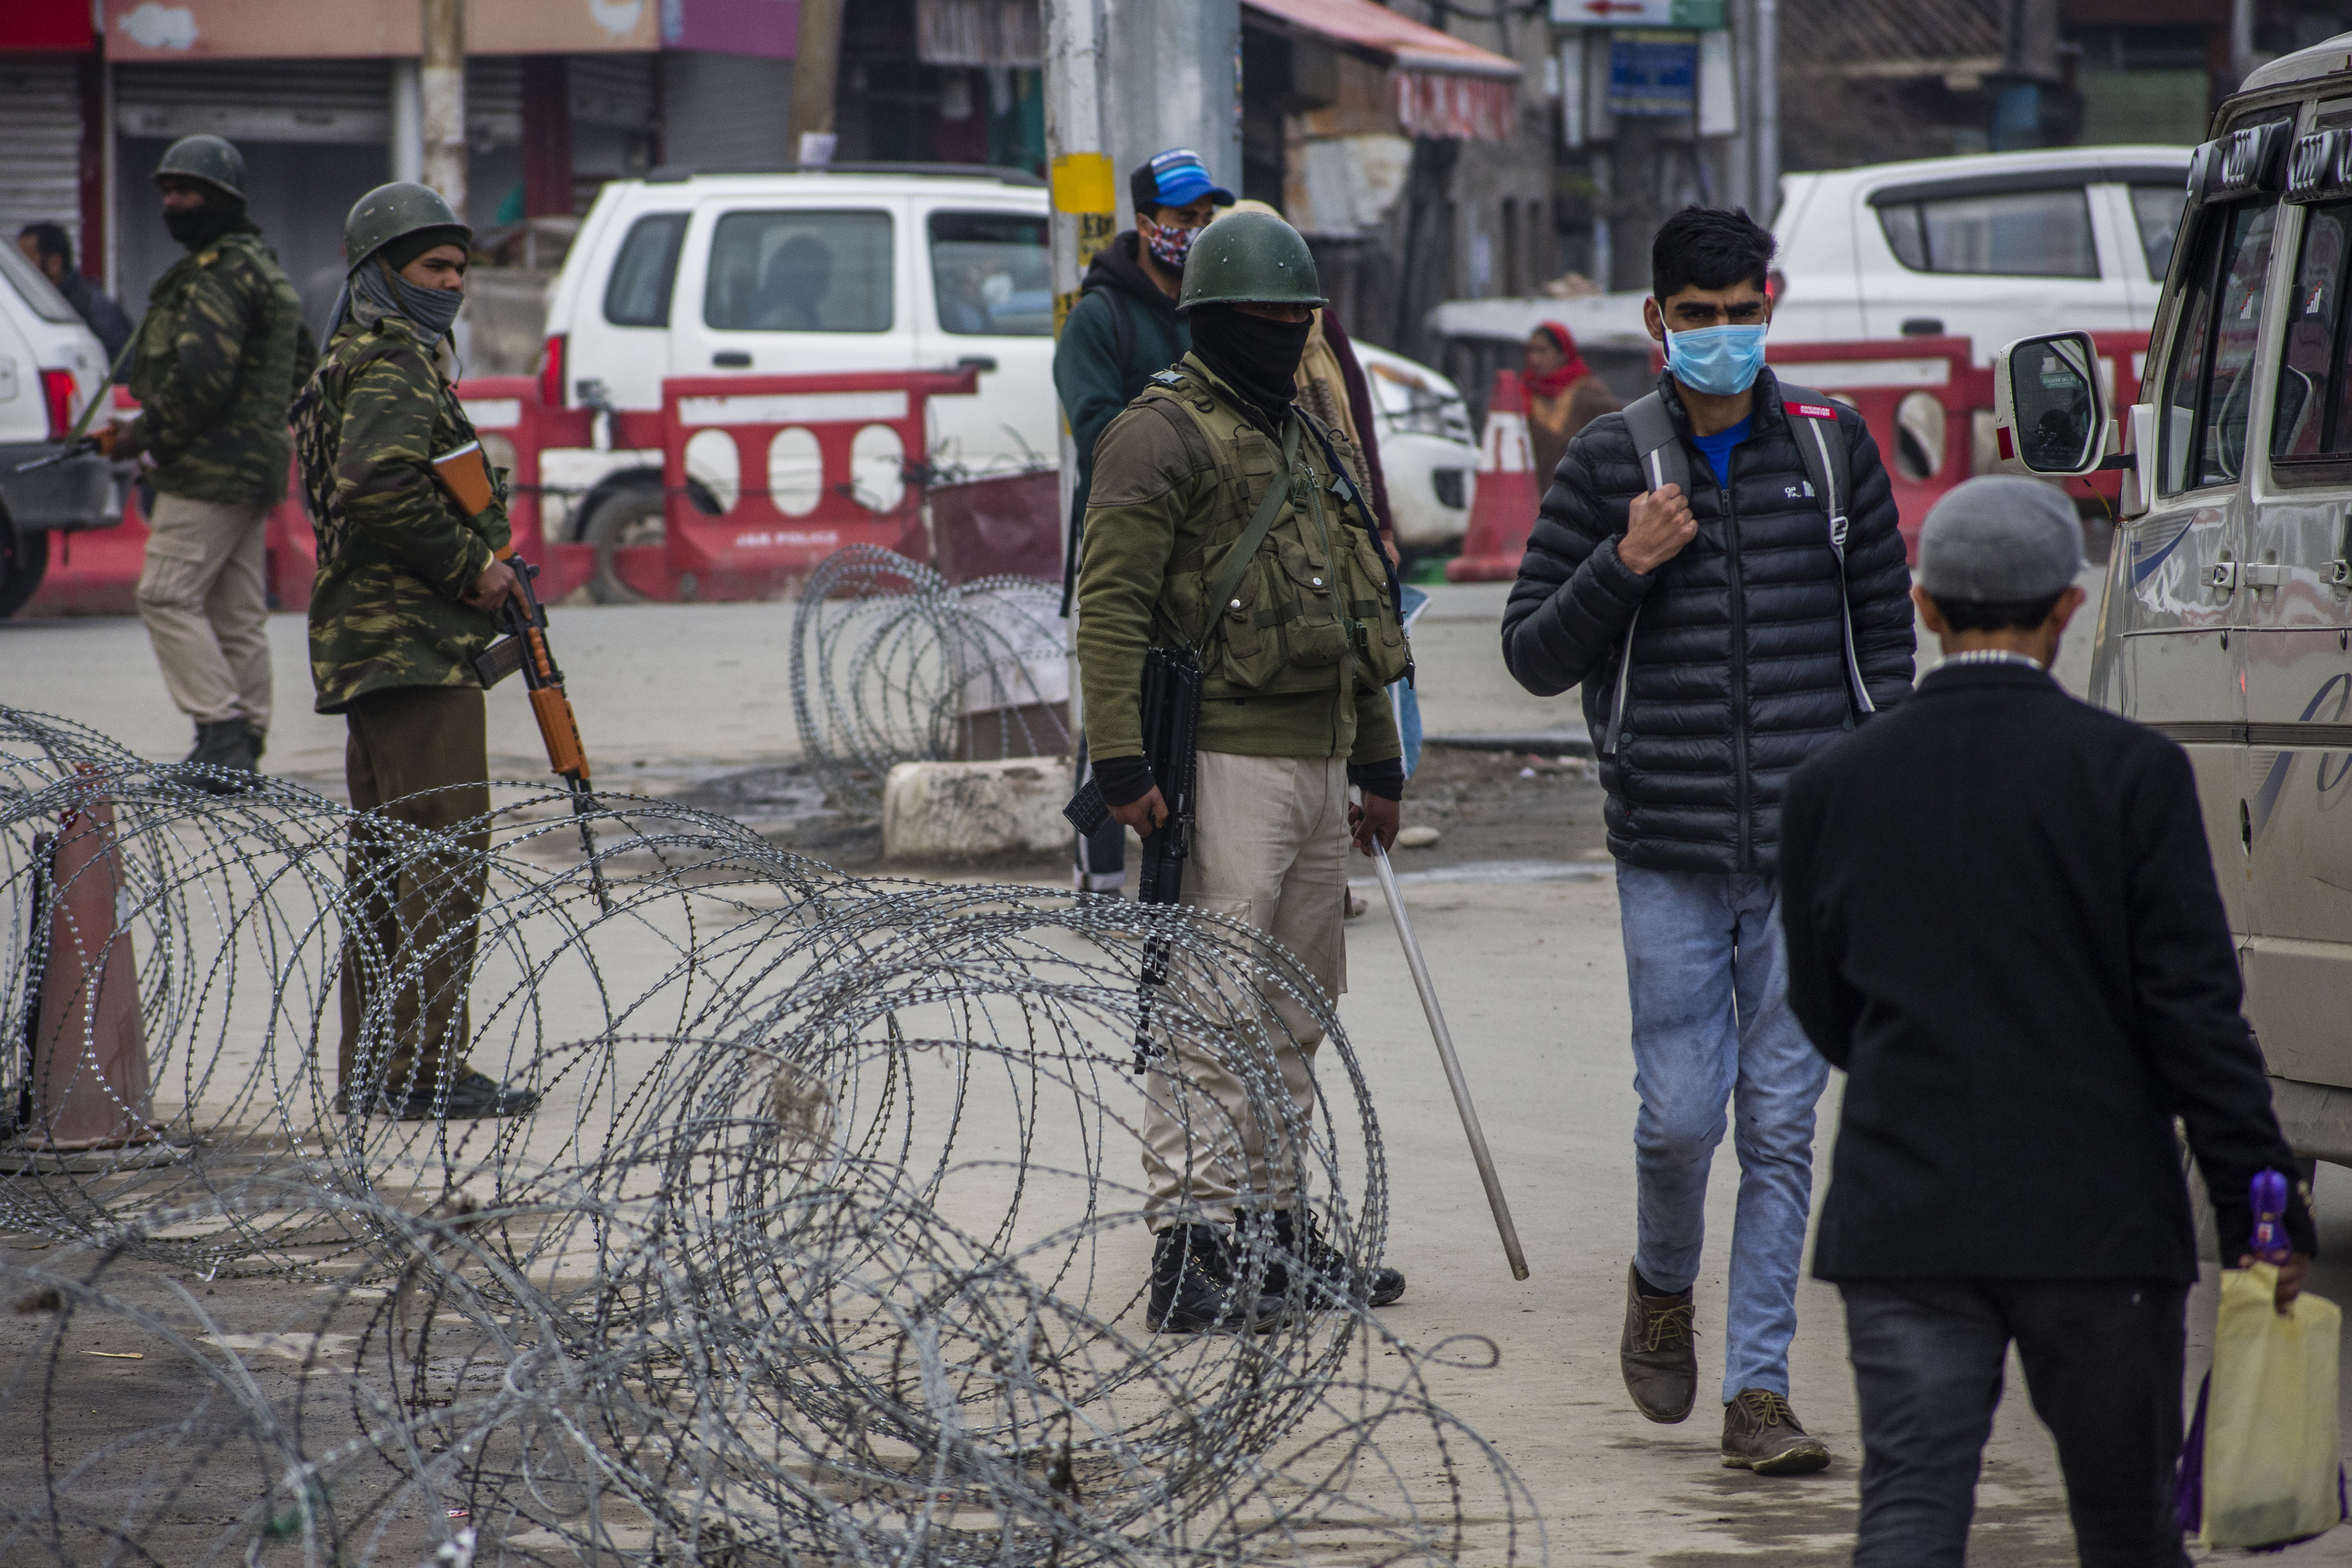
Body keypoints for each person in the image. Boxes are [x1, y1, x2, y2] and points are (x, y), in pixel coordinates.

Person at [1777, 476, 2318, 1566]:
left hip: (1904, 1220)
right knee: (2123, 1533)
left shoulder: (1832, 784)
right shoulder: (2132, 778)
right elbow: (2198, 1026)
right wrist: (2260, 1210)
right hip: (2099, 1232)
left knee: (1909, 1516)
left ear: (1922, 606)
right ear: (2068, 608)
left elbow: (1824, 1011)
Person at [1499, 206, 1914, 1473]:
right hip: (1668, 849)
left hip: (1806, 854)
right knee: (1682, 1118)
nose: (1726, 337)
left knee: (1783, 1125)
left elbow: (1882, 645)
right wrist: (1625, 561)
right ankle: (1661, 1278)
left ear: (1767, 306)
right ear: (1656, 322)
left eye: (1745, 314)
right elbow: (1528, 652)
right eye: (1700, 318)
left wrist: (1879, 804)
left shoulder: (1831, 451)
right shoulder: (1606, 460)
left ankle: (1758, 1391)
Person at [1074, 211, 1410, 1333]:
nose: (1281, 334)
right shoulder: (1155, 434)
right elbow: (1111, 606)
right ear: (1210, 322)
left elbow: (1357, 606)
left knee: (1293, 1013)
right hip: (1217, 759)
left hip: (1318, 760)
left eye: (1293, 318)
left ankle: (1273, 1231)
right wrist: (1120, 758)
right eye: (1260, 319)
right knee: (1207, 1016)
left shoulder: (1309, 439)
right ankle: (1192, 1246)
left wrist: (1378, 757)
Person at [298, 182, 539, 1123]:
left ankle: (379, 1063)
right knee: (442, 850)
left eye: (459, 269)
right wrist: (473, 565)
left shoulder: (352, 361)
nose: (452, 285)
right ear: (381, 273)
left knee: (392, 858)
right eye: (433, 267)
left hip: (378, 642)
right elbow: (380, 485)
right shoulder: (394, 358)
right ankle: (422, 1065)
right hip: (412, 640)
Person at [95, 135, 313, 789]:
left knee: (165, 594)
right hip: (250, 465)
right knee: (233, 609)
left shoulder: (221, 273)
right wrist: (259, 421)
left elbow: (201, 379)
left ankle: (221, 736)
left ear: (221, 200)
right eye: (166, 193)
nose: (172, 204)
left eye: (186, 193)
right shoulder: (262, 268)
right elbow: (299, 363)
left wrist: (143, 433)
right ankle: (243, 742)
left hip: (208, 469)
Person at [1055, 147, 1232, 895]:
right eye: (1180, 217)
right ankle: (1096, 872)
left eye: (1203, 218)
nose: (1192, 230)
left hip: (1207, 549)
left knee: (1190, 699)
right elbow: (1097, 430)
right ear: (1143, 223)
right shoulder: (1098, 320)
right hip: (1128, 539)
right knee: (1117, 701)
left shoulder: (1212, 311)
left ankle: (1183, 859)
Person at [15, 223, 135, 368]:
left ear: (54, 264)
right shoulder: (43, 306)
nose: (19, 271)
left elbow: (123, 370)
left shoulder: (92, 306)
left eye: (26, 262)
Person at [1522, 322, 1617, 496]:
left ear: (1563, 354)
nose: (1534, 359)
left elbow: (1614, 438)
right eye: (1531, 351)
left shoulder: (1588, 391)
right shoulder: (1524, 393)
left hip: (1582, 495)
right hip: (1535, 498)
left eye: (1543, 351)